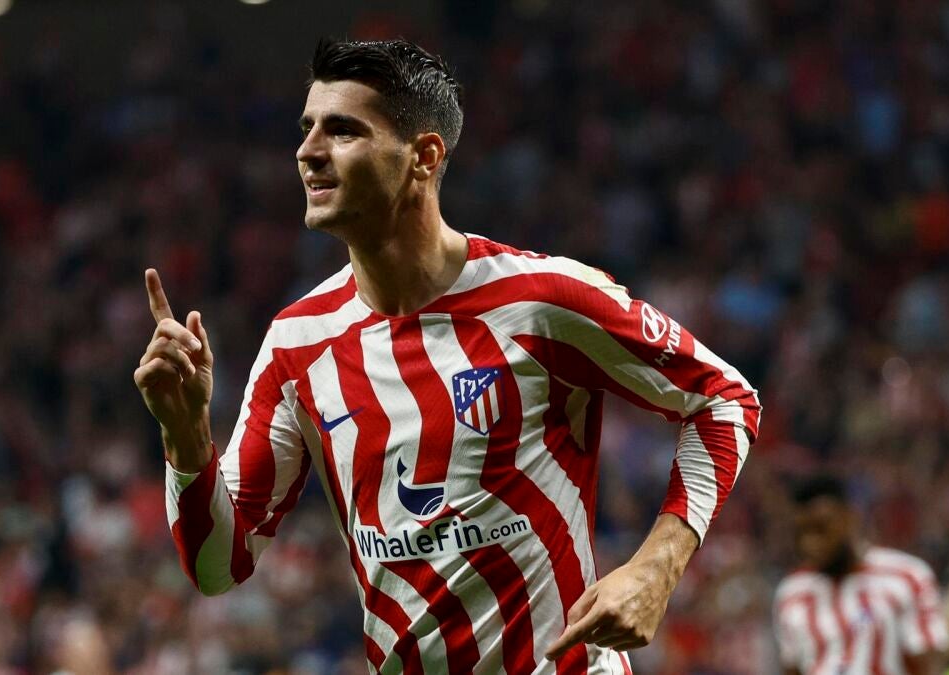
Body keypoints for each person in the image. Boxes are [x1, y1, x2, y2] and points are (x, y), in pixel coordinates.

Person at [134, 38, 760, 674]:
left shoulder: (540, 298)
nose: (308, 151)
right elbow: (218, 566)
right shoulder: (297, 342)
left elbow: (725, 399)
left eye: (342, 130)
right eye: (307, 129)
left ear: (424, 156)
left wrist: (657, 566)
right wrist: (185, 437)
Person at [773, 475, 949, 675]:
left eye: (821, 528)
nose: (810, 543)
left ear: (850, 518)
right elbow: (792, 667)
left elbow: (930, 661)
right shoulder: (792, 592)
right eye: (802, 532)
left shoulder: (905, 576)